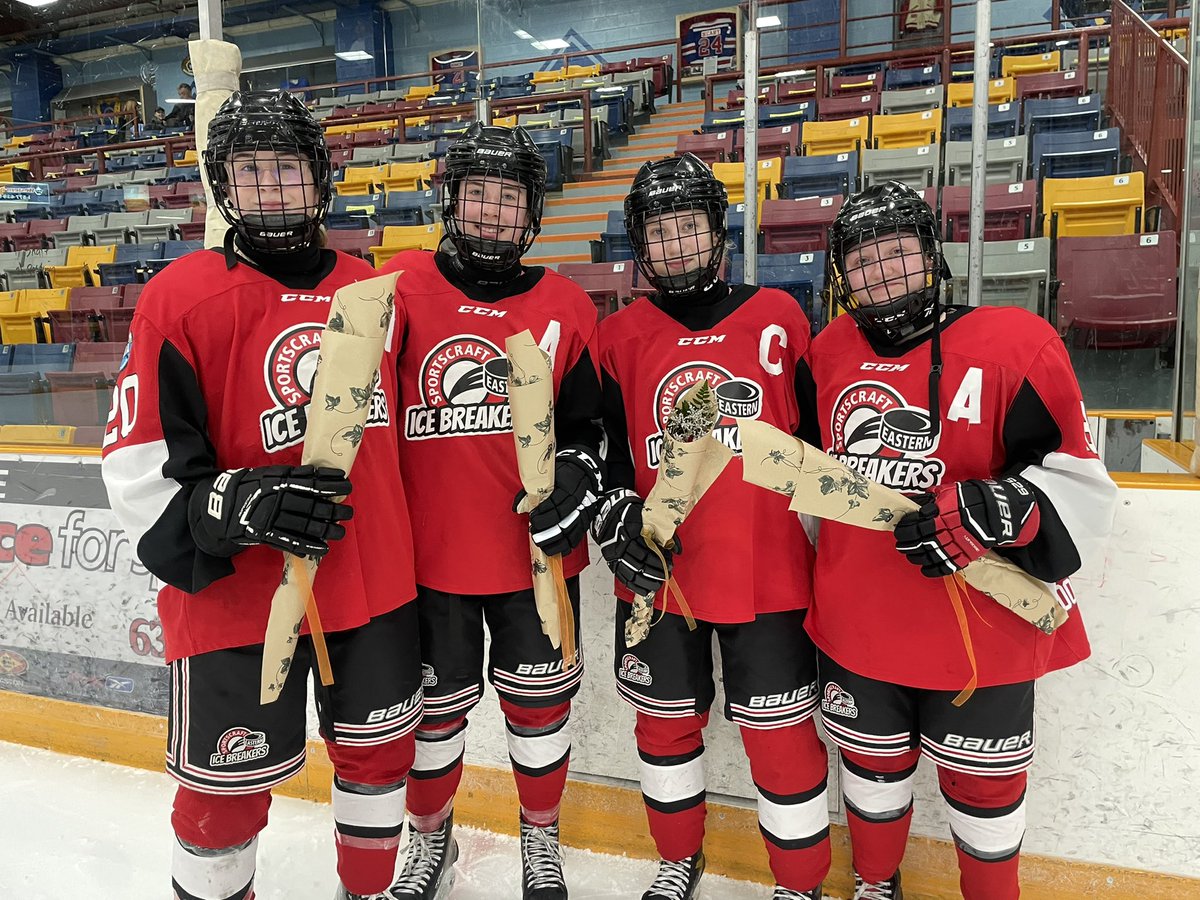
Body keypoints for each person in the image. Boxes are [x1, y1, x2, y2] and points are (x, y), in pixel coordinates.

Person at [100, 90, 424, 900]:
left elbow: (413, 448)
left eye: (287, 169)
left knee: (379, 765)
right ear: (223, 184)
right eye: (251, 172)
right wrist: (232, 503)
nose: (272, 190)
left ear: (320, 178)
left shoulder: (378, 295)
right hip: (235, 603)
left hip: (371, 588)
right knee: (221, 795)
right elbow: (138, 461)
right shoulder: (178, 298)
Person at [808, 181, 1117, 900]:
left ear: (932, 255)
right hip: (859, 627)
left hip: (982, 634)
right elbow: (800, 479)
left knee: (985, 795)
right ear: (840, 280)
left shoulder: (1017, 343)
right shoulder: (823, 354)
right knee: (871, 776)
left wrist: (1002, 505)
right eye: (863, 261)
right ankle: (874, 886)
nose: (882, 272)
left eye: (899, 253)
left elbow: (1078, 481)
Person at [590, 153, 831, 900]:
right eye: (658, 233)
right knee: (663, 731)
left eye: (687, 227)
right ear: (639, 245)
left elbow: (822, 441)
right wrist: (613, 522)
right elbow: (596, 458)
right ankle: (677, 857)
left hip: (772, 575)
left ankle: (800, 882)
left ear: (716, 231)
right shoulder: (616, 338)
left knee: (782, 739)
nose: (675, 245)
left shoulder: (781, 317)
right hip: (662, 576)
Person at [375, 122, 605, 900]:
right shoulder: (398, 288)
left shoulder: (568, 303)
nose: (493, 212)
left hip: (533, 562)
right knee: (431, 720)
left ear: (533, 210)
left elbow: (590, 430)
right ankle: (428, 838)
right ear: (450, 199)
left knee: (539, 716)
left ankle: (540, 837)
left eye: (510, 197)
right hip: (428, 562)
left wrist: (579, 473)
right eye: (478, 194)